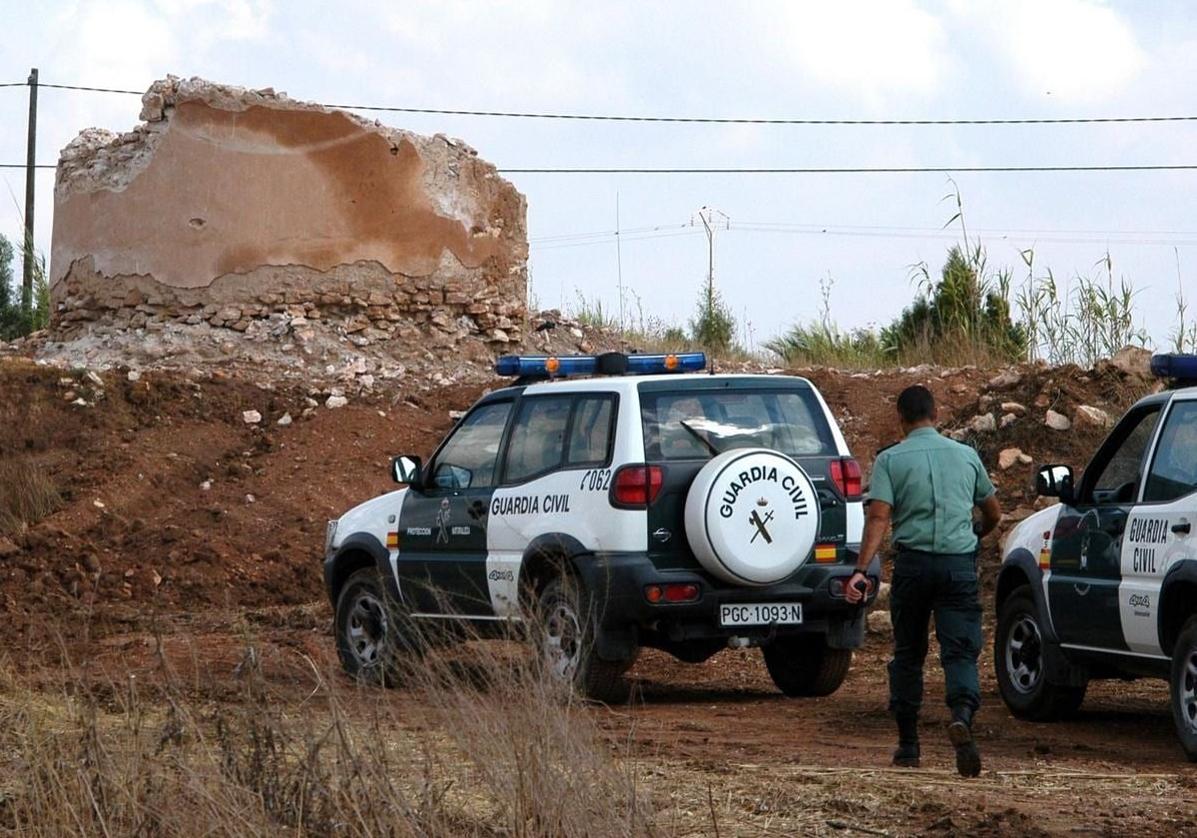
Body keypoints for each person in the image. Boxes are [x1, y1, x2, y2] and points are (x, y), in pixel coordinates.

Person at [845, 385, 1001, 777]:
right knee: (961, 651)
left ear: (901, 418)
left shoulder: (890, 461)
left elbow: (878, 517)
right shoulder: (966, 456)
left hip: (914, 568)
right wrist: (977, 533)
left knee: (909, 654)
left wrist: (862, 570)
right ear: (937, 413)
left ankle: (908, 746)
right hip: (958, 567)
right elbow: (993, 512)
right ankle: (961, 715)